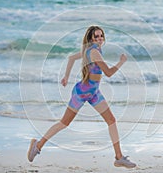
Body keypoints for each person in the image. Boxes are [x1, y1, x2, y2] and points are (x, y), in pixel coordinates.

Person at [27, 25, 136, 168]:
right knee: (64, 123)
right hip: (81, 93)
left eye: (101, 36)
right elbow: (108, 73)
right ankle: (38, 145)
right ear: (91, 38)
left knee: (111, 120)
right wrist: (121, 62)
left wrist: (66, 77)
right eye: (96, 36)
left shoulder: (92, 50)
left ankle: (119, 157)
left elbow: (71, 58)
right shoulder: (94, 52)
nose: (99, 38)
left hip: (94, 93)